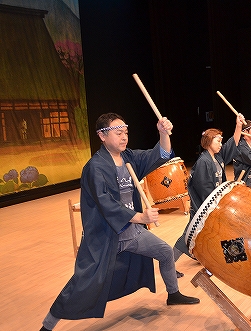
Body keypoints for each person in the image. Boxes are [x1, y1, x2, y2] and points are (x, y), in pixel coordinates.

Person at [40, 113, 199, 331]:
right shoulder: (95, 168)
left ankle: (173, 294)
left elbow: (160, 155)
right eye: (118, 133)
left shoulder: (129, 158)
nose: (124, 137)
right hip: (106, 237)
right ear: (102, 136)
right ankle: (47, 325)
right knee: (83, 283)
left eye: (125, 132)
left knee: (163, 251)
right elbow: (107, 205)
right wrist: (141, 217)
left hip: (131, 232)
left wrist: (163, 134)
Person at [172, 113, 245, 269]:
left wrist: (238, 126)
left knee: (209, 233)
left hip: (214, 204)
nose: (221, 144)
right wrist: (220, 202)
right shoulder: (203, 162)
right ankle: (168, 264)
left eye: (221, 141)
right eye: (218, 141)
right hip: (203, 206)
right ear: (208, 141)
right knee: (188, 236)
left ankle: (233, 258)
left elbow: (233, 144)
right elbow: (205, 190)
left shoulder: (217, 157)